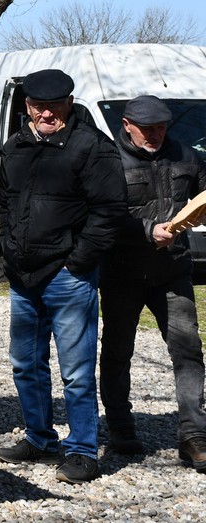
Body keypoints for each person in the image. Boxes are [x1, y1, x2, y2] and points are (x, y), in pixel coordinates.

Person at [0, 68, 126, 484]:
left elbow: (109, 212)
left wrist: (78, 261)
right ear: (27, 106)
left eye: (54, 106)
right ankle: (39, 437)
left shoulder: (92, 148)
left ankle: (83, 450)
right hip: (23, 275)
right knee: (26, 365)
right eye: (38, 106)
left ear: (69, 103)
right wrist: (9, 249)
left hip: (69, 276)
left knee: (76, 370)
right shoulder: (15, 146)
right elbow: (5, 201)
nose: (46, 113)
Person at [99, 95, 206, 470]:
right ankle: (120, 429)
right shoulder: (107, 160)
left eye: (162, 127)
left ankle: (194, 435)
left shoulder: (188, 155)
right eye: (147, 129)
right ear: (126, 124)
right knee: (117, 353)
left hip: (173, 271)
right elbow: (103, 217)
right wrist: (147, 231)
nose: (156, 135)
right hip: (121, 273)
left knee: (188, 350)